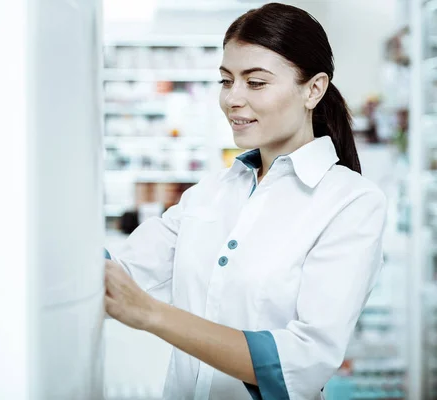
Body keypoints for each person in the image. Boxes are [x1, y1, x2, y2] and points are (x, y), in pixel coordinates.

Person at [103, 3, 387, 400]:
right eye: (226, 80)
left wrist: (153, 316)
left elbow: (302, 362)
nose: (232, 99)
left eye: (255, 83)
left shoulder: (351, 203)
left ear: (314, 89)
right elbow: (119, 274)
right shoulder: (210, 193)